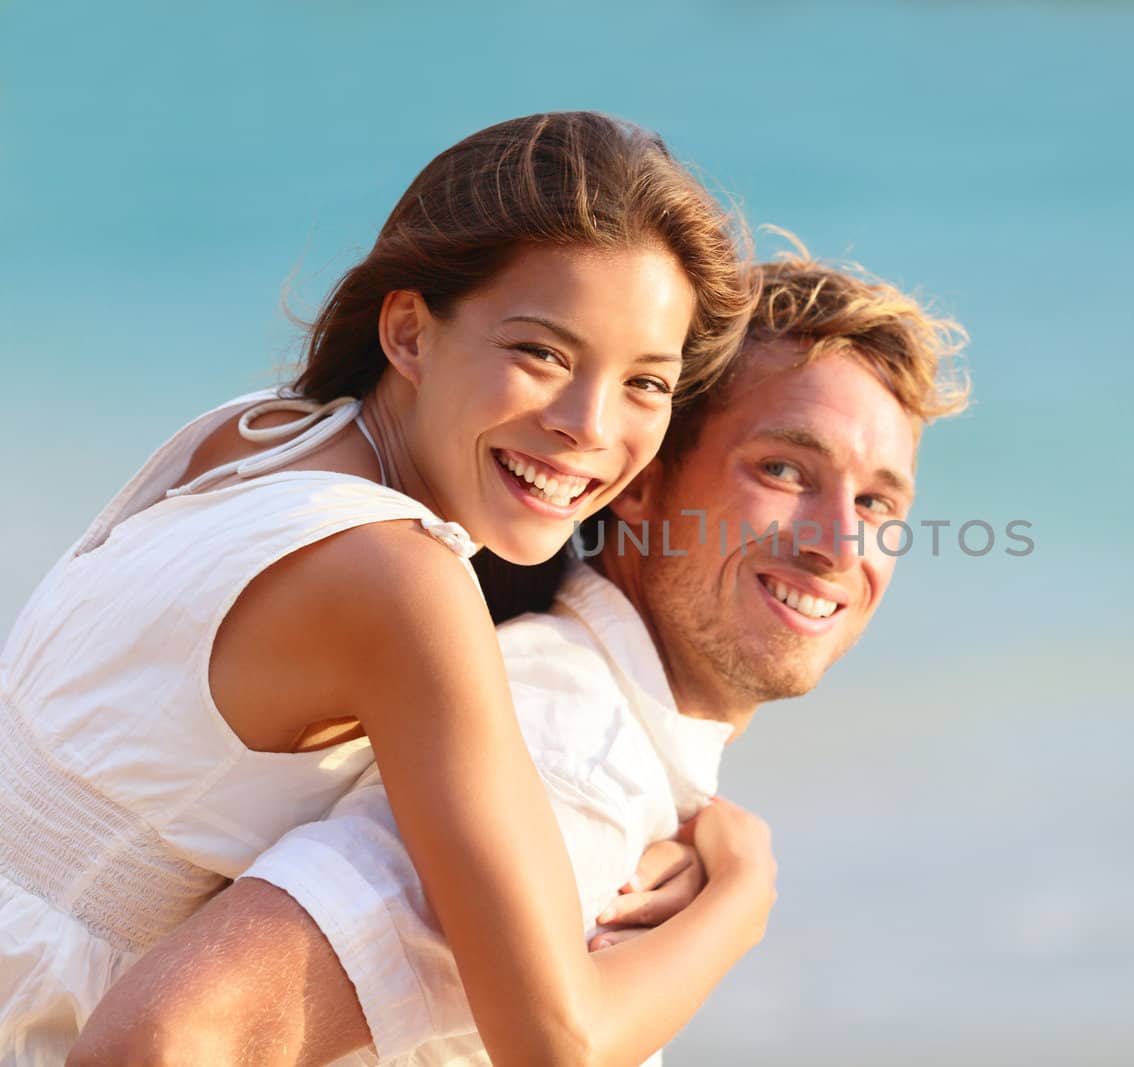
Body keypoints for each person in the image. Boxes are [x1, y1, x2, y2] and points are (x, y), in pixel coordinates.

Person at [0, 111, 777, 1066]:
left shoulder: (250, 433)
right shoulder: (401, 583)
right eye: (543, 352)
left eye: (645, 384)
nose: (588, 424)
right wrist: (741, 892)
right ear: (409, 331)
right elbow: (558, 1042)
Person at [70, 253, 972, 1065]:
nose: (837, 543)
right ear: (644, 483)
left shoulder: (597, 740)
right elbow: (165, 1041)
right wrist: (742, 896)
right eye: (782, 471)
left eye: (878, 499)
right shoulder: (566, 751)